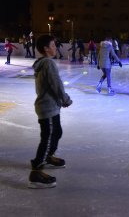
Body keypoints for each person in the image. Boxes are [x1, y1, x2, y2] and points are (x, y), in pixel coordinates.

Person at [29, 35, 72, 189]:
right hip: (47, 107)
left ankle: (47, 157)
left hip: (51, 106)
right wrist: (65, 99)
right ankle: (36, 172)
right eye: (53, 45)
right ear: (46, 48)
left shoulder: (42, 63)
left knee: (57, 132)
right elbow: (57, 84)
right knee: (47, 138)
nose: (55, 48)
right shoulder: (48, 63)